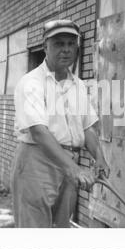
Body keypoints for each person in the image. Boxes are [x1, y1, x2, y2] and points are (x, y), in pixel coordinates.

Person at [11, 19, 110, 228]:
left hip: (68, 163)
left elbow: (87, 127)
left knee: (61, 228)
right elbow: (38, 132)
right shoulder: (31, 83)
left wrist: (99, 158)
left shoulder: (79, 85)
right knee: (34, 232)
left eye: (70, 44)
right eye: (58, 44)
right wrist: (75, 170)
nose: (66, 50)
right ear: (45, 45)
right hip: (37, 160)